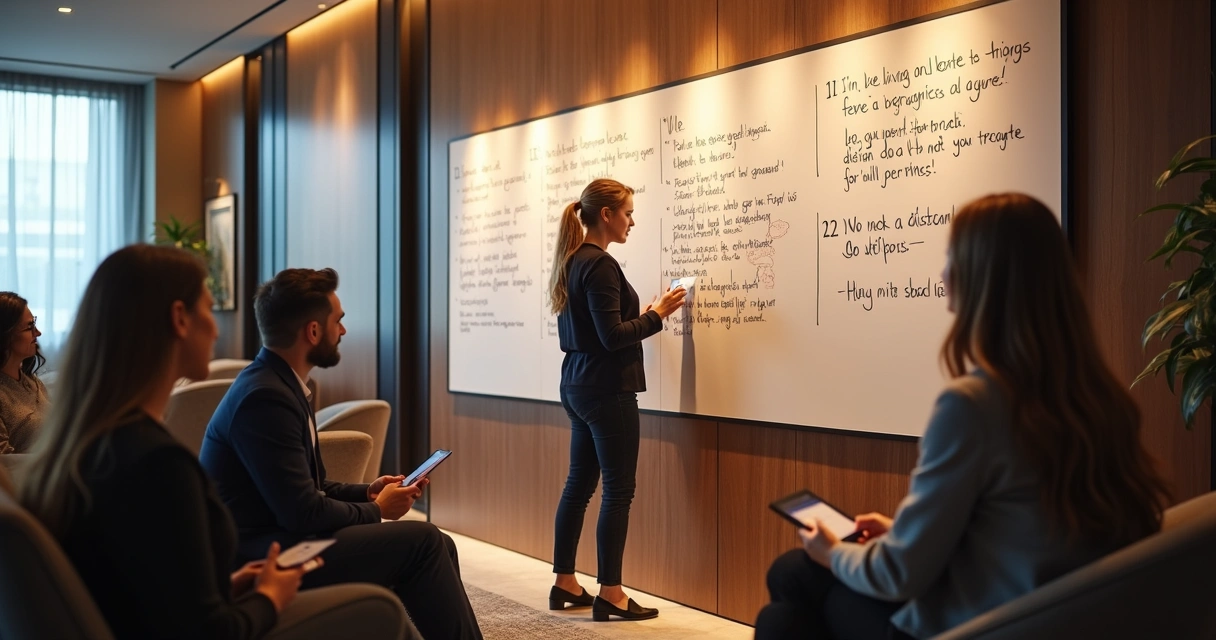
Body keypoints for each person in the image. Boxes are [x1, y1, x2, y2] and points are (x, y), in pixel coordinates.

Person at [756, 193, 1172, 639]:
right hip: (1053, 614)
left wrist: (832, 551)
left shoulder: (973, 404)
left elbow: (901, 574)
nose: (942, 273)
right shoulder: (1099, 398)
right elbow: (1023, 526)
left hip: (981, 622)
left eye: (951, 257)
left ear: (981, 279)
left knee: (791, 586)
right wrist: (899, 531)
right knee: (789, 600)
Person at [17, 245, 409, 639]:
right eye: (208, 309)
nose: (217, 328)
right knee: (384, 607)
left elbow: (151, 590)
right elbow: (212, 633)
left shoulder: (98, 448)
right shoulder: (158, 464)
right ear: (179, 319)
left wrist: (230, 585)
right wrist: (269, 597)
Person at [200, 267, 483, 640]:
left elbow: (308, 487)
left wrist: (366, 492)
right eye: (339, 321)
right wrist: (378, 510)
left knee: (438, 543)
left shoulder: (279, 383)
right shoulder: (265, 397)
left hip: (281, 534)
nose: (344, 331)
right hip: (264, 556)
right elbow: (303, 512)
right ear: (313, 332)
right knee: (424, 541)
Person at [546, 178, 687, 622]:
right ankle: (611, 591)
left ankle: (565, 582)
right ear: (605, 214)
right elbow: (611, 338)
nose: (631, 221)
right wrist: (656, 314)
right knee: (618, 491)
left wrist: (641, 315)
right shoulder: (601, 264)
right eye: (627, 212)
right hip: (607, 388)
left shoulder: (572, 261)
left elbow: (599, 330)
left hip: (577, 384)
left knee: (578, 487)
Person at [0, 292, 50, 453]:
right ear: (5, 334)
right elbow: (5, 464)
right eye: (30, 326)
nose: (38, 333)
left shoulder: (33, 382)